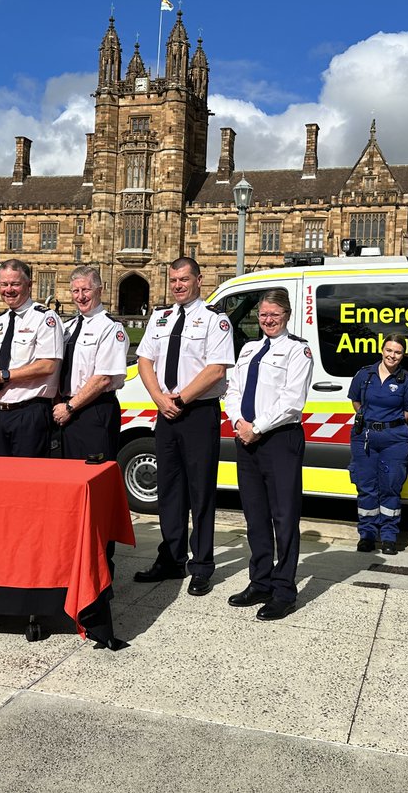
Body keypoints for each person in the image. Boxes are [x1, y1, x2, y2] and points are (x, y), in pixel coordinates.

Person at [133, 257, 234, 596]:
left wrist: (179, 400)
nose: (177, 285)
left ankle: (202, 565)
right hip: (166, 412)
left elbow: (216, 370)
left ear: (198, 280)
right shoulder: (159, 318)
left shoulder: (214, 321)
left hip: (197, 414)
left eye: (184, 279)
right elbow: (144, 359)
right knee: (169, 491)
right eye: (173, 279)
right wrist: (159, 398)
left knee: (200, 492)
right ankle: (172, 558)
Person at [223, 290, 313, 620]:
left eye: (274, 314)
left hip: (279, 440)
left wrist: (256, 427)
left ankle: (284, 590)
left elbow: (292, 401)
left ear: (286, 315)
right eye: (263, 315)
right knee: (255, 517)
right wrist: (238, 421)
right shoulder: (248, 349)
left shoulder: (297, 351)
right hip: (247, 440)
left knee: (284, 518)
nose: (268, 320)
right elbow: (233, 391)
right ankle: (260, 581)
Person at [0, 259, 63, 457]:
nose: (9, 290)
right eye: (4, 284)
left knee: (28, 479)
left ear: (29, 285)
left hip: (30, 412)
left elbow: (48, 365)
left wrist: (4, 375)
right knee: (3, 479)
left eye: (15, 284)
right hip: (0, 413)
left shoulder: (45, 318)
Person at [348, 334, 408, 555]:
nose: (392, 355)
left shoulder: (407, 380)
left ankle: (388, 536)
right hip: (365, 437)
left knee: (390, 487)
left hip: (394, 439)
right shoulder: (365, 374)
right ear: (382, 350)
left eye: (397, 352)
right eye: (389, 350)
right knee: (366, 487)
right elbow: (355, 400)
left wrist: (389, 425)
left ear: (402, 355)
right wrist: (370, 420)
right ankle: (367, 535)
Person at [52, 266, 128, 461]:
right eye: (75, 291)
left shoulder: (110, 328)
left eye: (86, 290)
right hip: (66, 410)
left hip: (94, 410)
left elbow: (103, 378)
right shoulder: (68, 327)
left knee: (93, 475)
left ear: (99, 290)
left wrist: (69, 407)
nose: (80, 296)